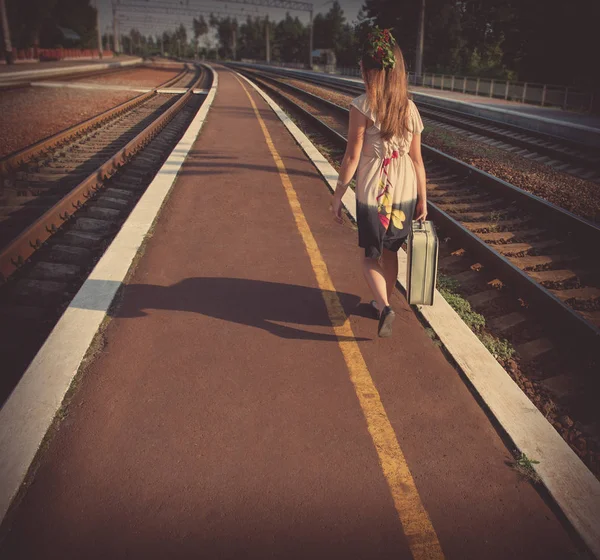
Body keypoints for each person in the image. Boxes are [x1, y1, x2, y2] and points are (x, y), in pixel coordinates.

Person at [330, 27, 427, 338]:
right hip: (405, 190)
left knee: (370, 255)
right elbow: (417, 160)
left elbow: (351, 158)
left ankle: (384, 307)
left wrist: (337, 195)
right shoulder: (409, 108)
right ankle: (385, 301)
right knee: (391, 253)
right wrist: (423, 199)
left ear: (365, 70)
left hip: (375, 189)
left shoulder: (362, 106)